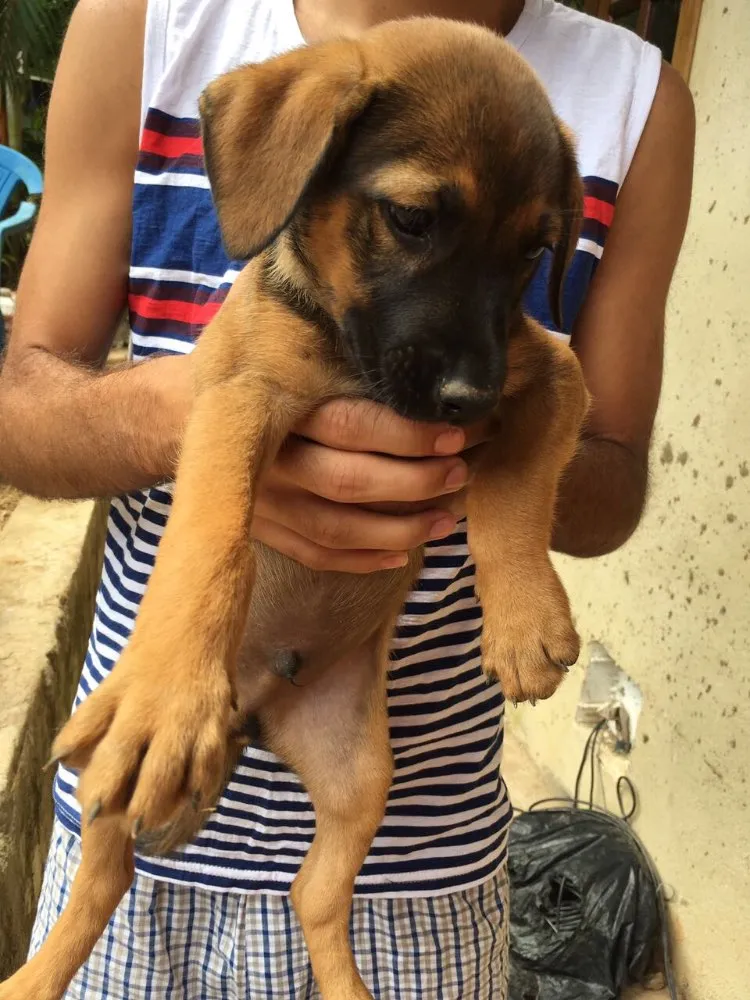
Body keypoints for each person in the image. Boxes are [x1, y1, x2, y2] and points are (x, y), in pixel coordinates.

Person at [0, 0, 694, 996]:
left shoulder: (637, 104)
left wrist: (504, 525)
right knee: (116, 825)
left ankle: (331, 951)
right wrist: (194, 419)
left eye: (520, 259)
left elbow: (593, 441)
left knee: (356, 793)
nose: (469, 372)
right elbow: (21, 405)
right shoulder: (144, 23)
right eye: (411, 221)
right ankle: (65, 944)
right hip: (158, 722)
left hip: (418, 862)